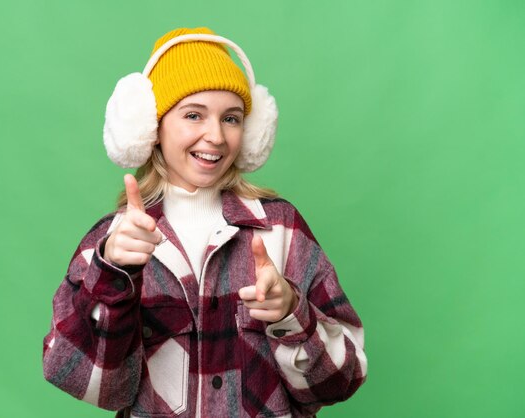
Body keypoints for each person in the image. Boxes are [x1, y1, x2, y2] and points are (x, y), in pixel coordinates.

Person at [42, 27, 367, 418]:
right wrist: (113, 278)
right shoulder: (113, 243)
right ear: (152, 127)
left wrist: (290, 313)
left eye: (230, 118)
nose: (215, 136)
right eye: (194, 115)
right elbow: (80, 379)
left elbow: (342, 381)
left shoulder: (281, 229)